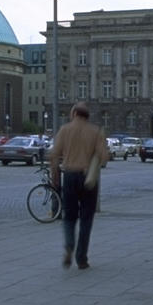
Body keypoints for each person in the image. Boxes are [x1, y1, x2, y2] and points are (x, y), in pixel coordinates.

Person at [48, 102, 111, 270]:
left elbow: (54, 155)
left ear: (74, 113)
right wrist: (95, 159)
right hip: (88, 177)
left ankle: (69, 245)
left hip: (69, 175)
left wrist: (55, 175)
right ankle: (82, 258)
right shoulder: (95, 131)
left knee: (69, 216)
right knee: (86, 218)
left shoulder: (65, 129)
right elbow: (104, 156)